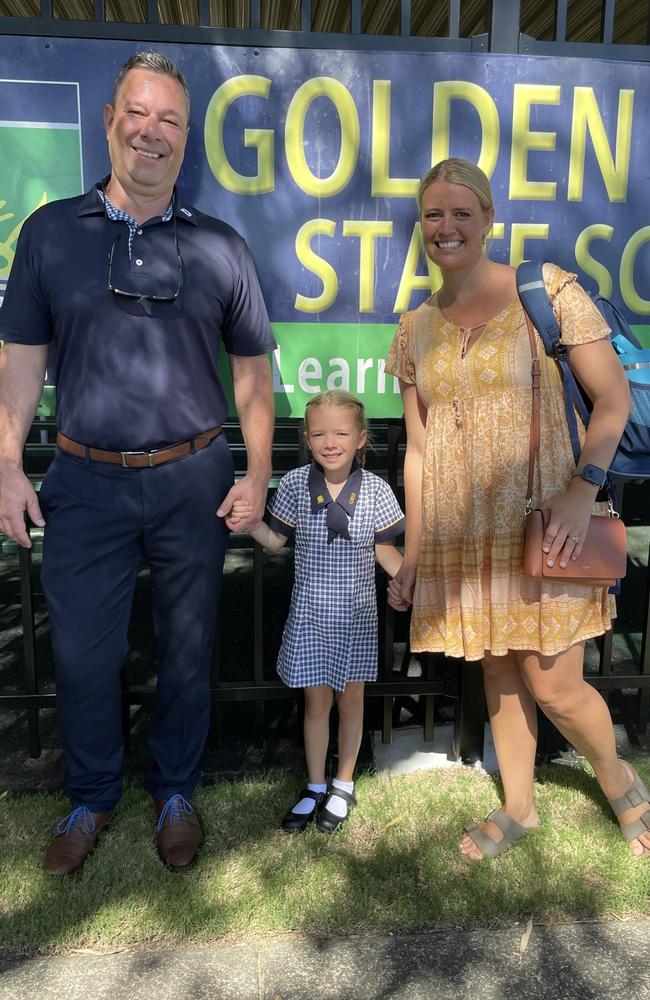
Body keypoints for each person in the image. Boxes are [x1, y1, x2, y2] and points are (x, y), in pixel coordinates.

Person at [0, 52, 276, 874]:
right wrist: (7, 463)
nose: (151, 132)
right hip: (84, 480)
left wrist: (257, 476)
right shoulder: (50, 233)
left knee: (188, 647)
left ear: (185, 139)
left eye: (169, 120)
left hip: (194, 477)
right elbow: (18, 360)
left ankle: (177, 791)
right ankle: (89, 798)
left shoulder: (222, 247)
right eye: (138, 113)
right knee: (86, 651)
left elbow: (256, 375)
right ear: (110, 118)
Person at [385, 157, 650, 861]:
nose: (447, 227)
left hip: (546, 522)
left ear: (488, 220)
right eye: (433, 214)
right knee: (499, 668)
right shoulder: (414, 329)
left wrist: (582, 488)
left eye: (461, 213)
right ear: (422, 225)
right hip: (463, 534)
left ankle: (620, 780)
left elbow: (614, 399)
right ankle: (521, 808)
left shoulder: (547, 291)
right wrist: (413, 554)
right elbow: (419, 449)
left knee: (555, 684)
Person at [232, 391, 404, 832]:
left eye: (342, 432)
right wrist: (250, 524)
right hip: (309, 615)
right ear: (307, 439)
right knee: (315, 702)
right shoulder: (293, 485)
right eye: (320, 433)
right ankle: (314, 783)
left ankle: (343, 783)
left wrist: (409, 580)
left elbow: (385, 550)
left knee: (351, 701)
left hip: (358, 617)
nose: (331, 441)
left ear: (361, 438)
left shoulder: (378, 491)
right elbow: (275, 541)